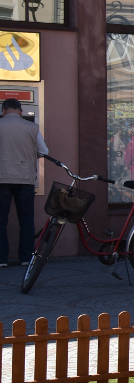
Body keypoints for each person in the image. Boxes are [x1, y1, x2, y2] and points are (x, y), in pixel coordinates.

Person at [0, 98, 48, 266]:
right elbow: (43, 151)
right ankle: (26, 258)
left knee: (1, 220)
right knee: (26, 220)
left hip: (1, 178)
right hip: (26, 179)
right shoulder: (32, 127)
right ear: (20, 111)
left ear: (4, 110)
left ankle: (1, 259)